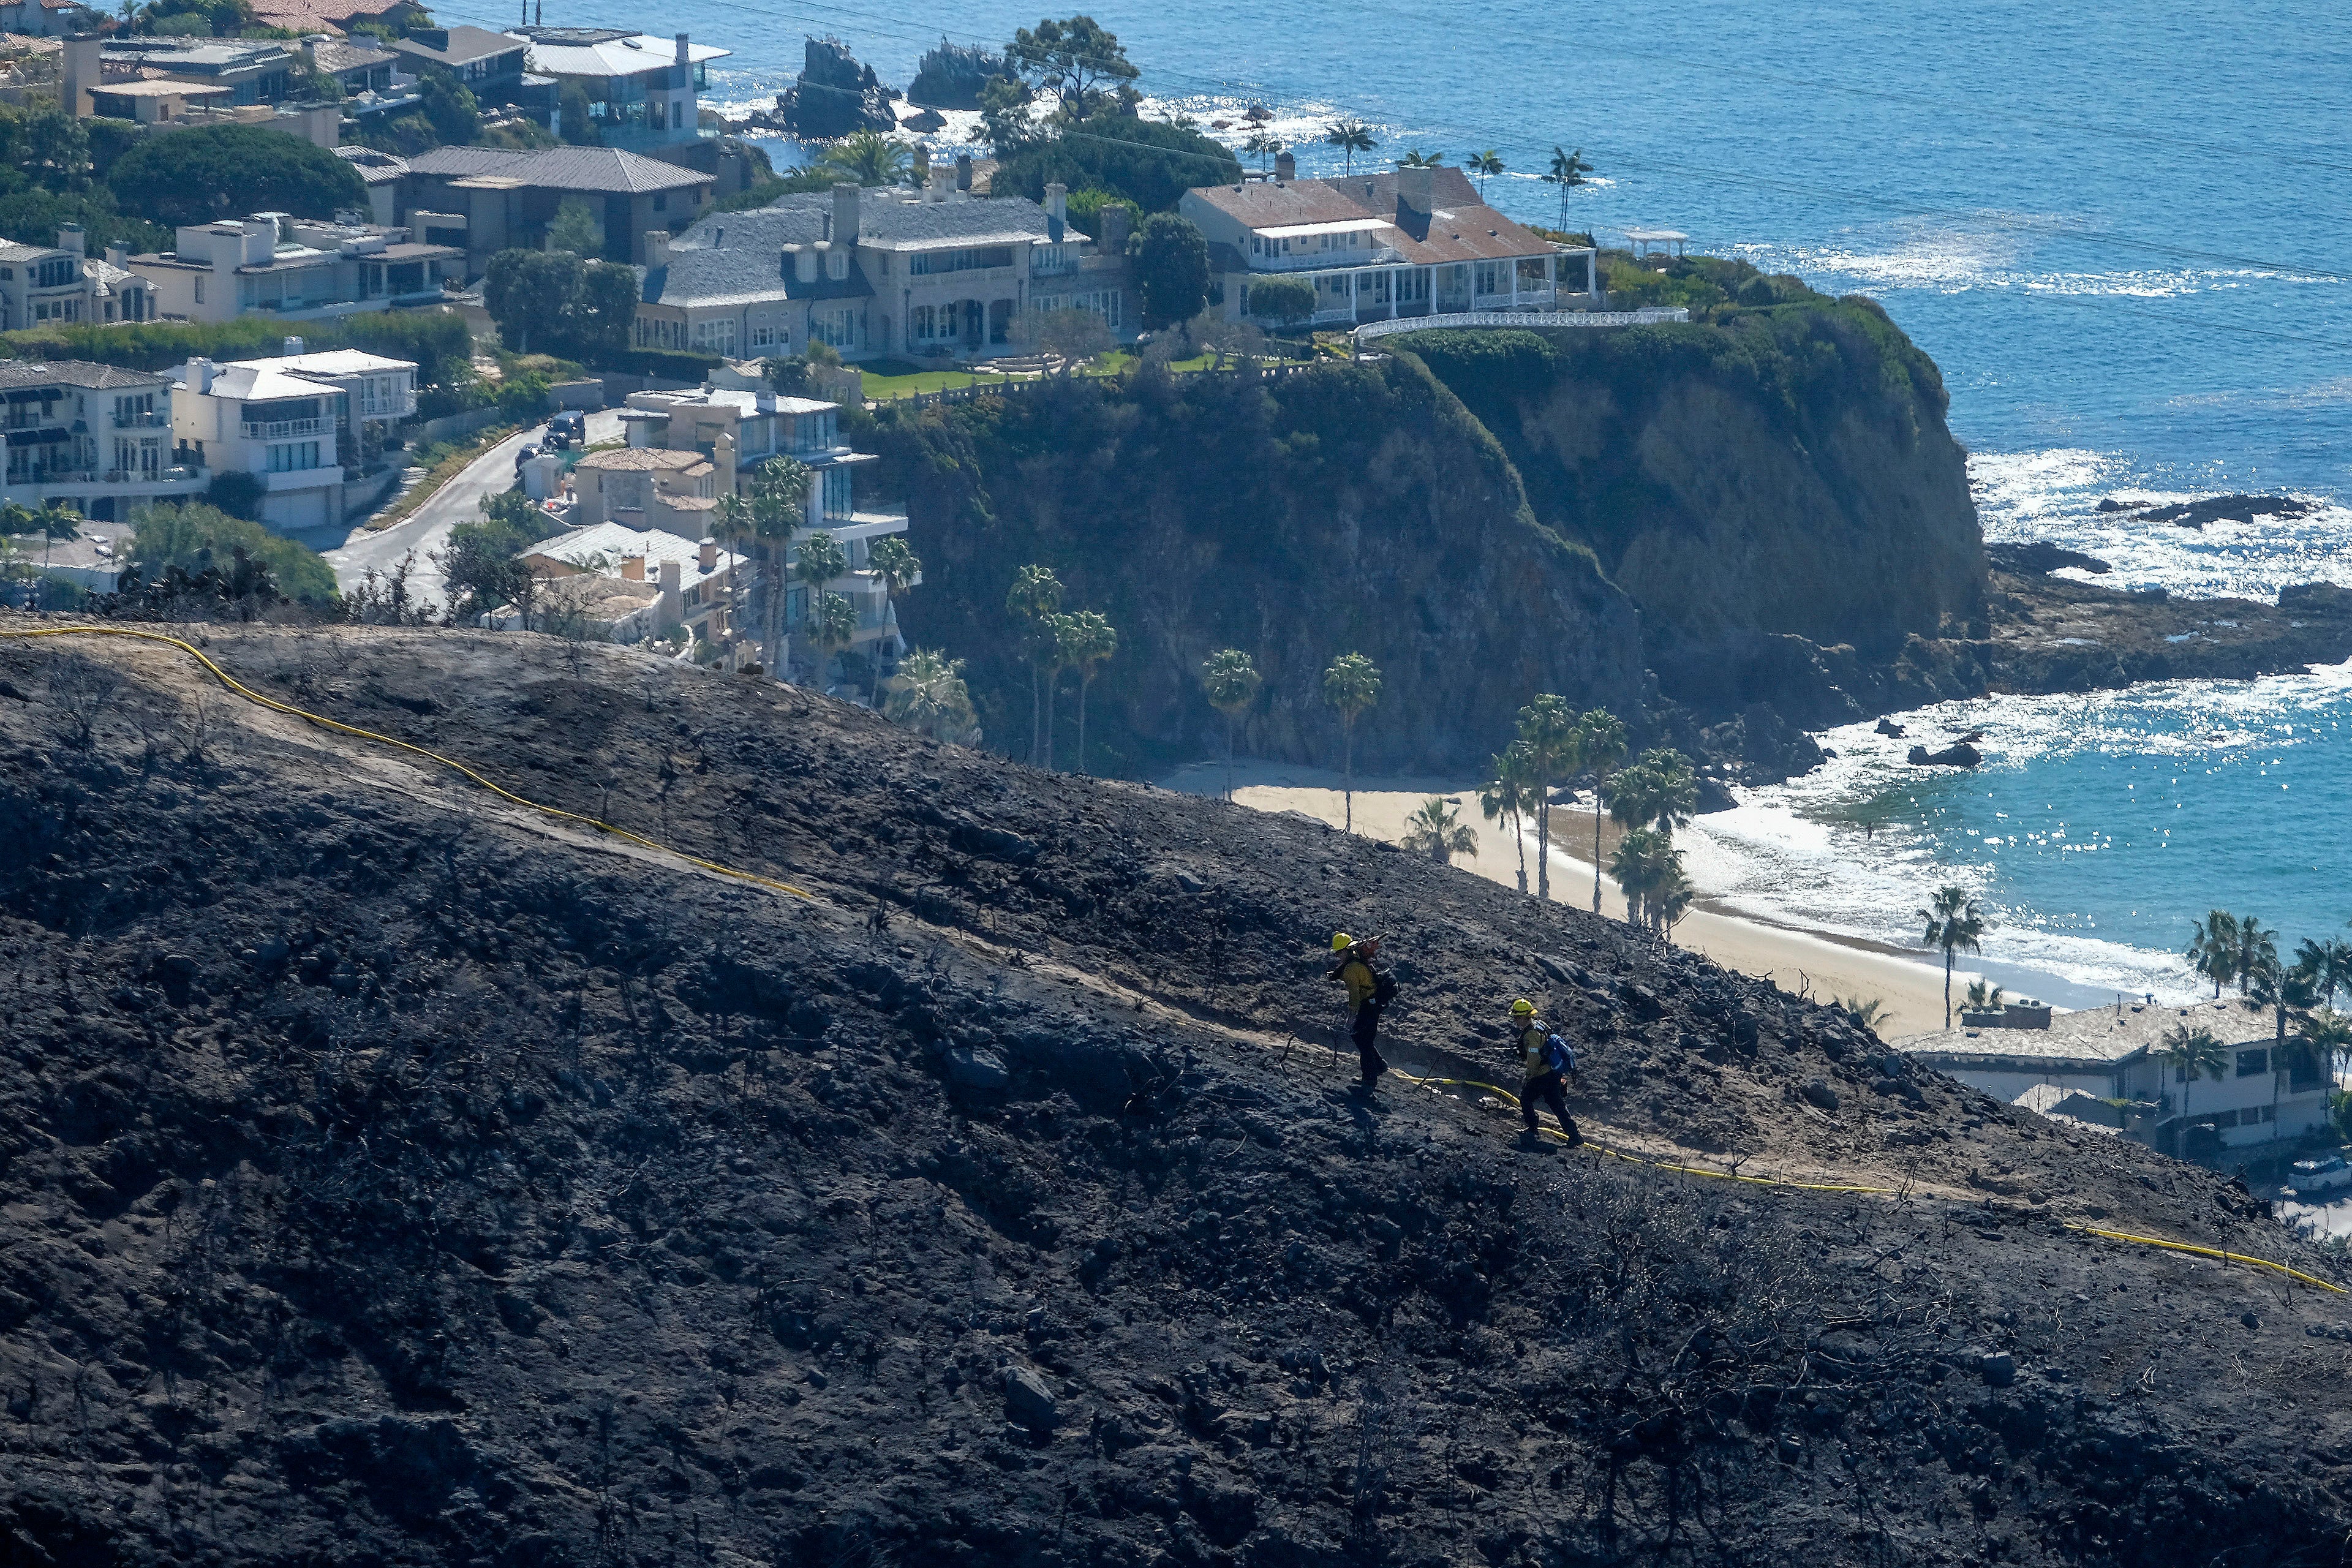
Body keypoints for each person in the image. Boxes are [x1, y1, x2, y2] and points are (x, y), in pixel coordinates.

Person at [1512, 998, 1581, 1145]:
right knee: (1556, 1104)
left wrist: (1529, 1076)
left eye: (1517, 1017)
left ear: (1525, 1016)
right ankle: (1575, 1136)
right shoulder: (1540, 1025)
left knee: (1525, 1098)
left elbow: (1534, 1058)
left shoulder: (1531, 1035)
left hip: (1541, 1075)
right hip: (1554, 1073)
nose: (1515, 1020)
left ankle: (1532, 1128)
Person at [1329, 932, 1391, 1086]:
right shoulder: (1356, 957)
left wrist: (1351, 1018)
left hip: (1369, 1004)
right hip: (1374, 1002)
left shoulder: (1351, 969)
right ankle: (1379, 1066)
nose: (1337, 957)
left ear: (1345, 951)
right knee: (1363, 1039)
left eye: (1338, 953)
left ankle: (1370, 1079)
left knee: (1363, 1041)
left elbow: (1354, 996)